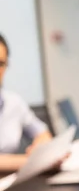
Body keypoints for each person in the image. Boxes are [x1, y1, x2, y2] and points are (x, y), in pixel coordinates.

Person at [0, 34, 52, 172]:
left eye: (0, 64)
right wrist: (35, 162)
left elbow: (42, 133)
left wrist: (40, 148)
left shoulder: (14, 102)